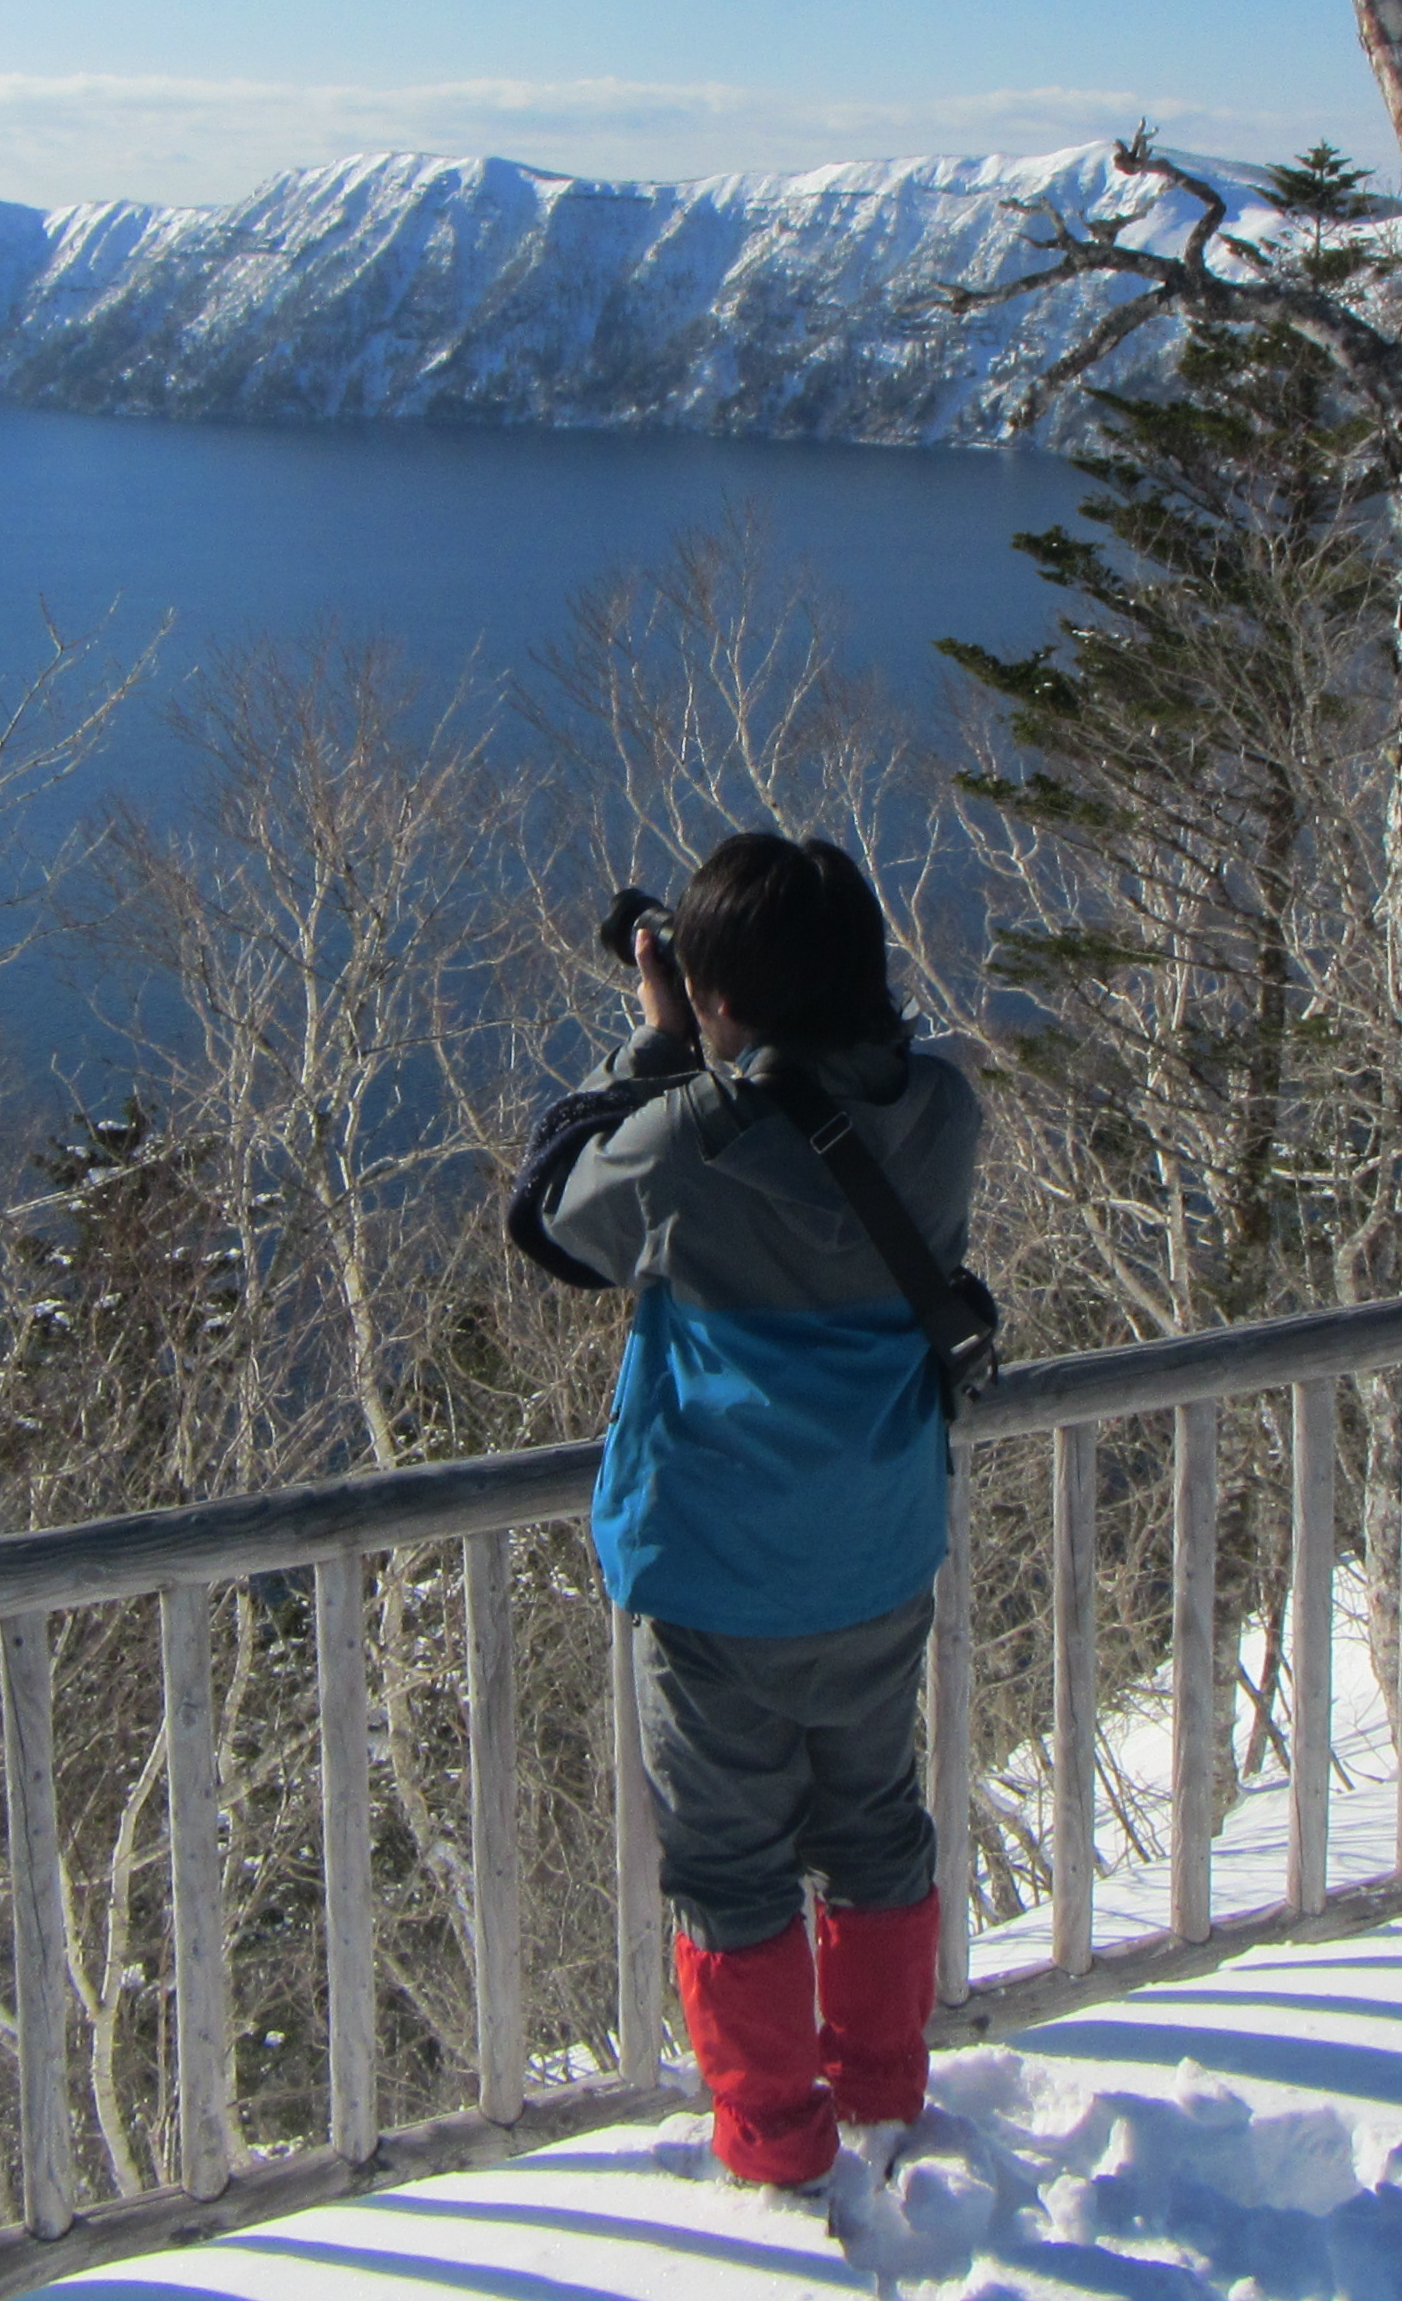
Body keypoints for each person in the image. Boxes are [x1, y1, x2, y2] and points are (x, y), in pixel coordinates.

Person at [518, 832, 981, 2191]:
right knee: (875, 1822)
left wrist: (658, 1052)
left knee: (730, 1868)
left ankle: (778, 2148)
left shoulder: (690, 1140)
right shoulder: (946, 1109)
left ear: (720, 992)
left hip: (718, 1572)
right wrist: (722, 1025)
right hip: (882, 1545)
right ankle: (887, 2094)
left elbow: (550, 1219)